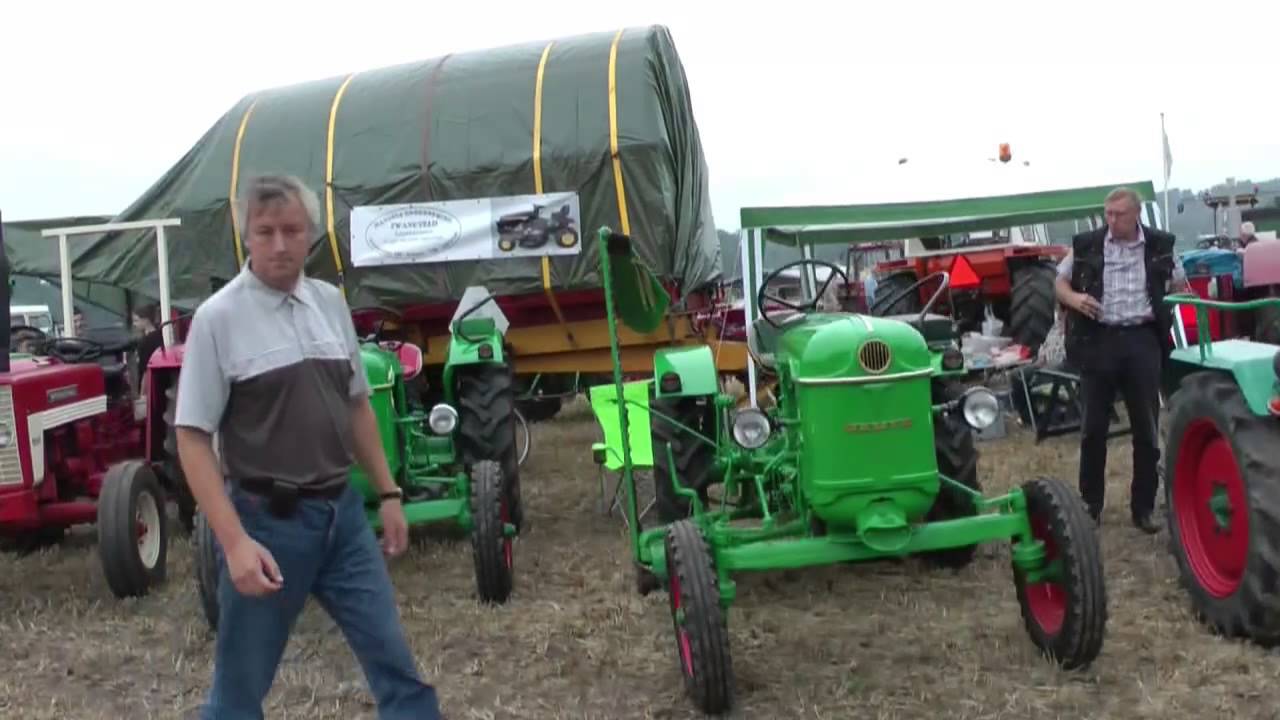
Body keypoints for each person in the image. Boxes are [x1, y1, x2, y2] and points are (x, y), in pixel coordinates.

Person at [174, 174, 443, 719]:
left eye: (292, 230)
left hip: (342, 519)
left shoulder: (328, 302)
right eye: (265, 230)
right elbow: (192, 438)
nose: (279, 244)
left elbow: (356, 406)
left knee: (397, 668)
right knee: (238, 693)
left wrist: (389, 494)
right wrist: (234, 544)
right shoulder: (217, 320)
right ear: (245, 235)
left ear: (311, 236)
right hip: (266, 525)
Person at [1055, 186, 1186, 533]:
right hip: (1098, 340)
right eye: (1107, 214)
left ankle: (1143, 508)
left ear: (1136, 215)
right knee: (1093, 429)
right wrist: (1075, 299)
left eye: (1118, 214)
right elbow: (1059, 282)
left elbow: (1180, 284)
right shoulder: (1086, 245)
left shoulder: (1160, 246)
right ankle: (1091, 505)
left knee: (1145, 429)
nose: (1111, 220)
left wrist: (1169, 300)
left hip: (1142, 341)